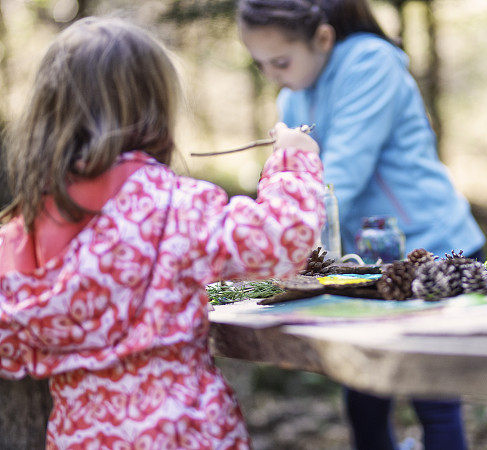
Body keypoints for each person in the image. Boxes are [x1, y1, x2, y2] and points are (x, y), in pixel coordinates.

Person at [0, 18, 325, 448]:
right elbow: (281, 243)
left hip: (82, 435)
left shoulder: (24, 234)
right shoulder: (176, 206)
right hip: (184, 430)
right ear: (154, 109)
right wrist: (292, 162)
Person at [237, 1, 484, 449]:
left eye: (281, 61)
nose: (272, 74)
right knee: (364, 397)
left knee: (433, 397)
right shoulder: (292, 95)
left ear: (323, 39)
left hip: (432, 246)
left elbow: (339, 179)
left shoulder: (371, 62)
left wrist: (273, 236)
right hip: (364, 265)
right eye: (261, 65)